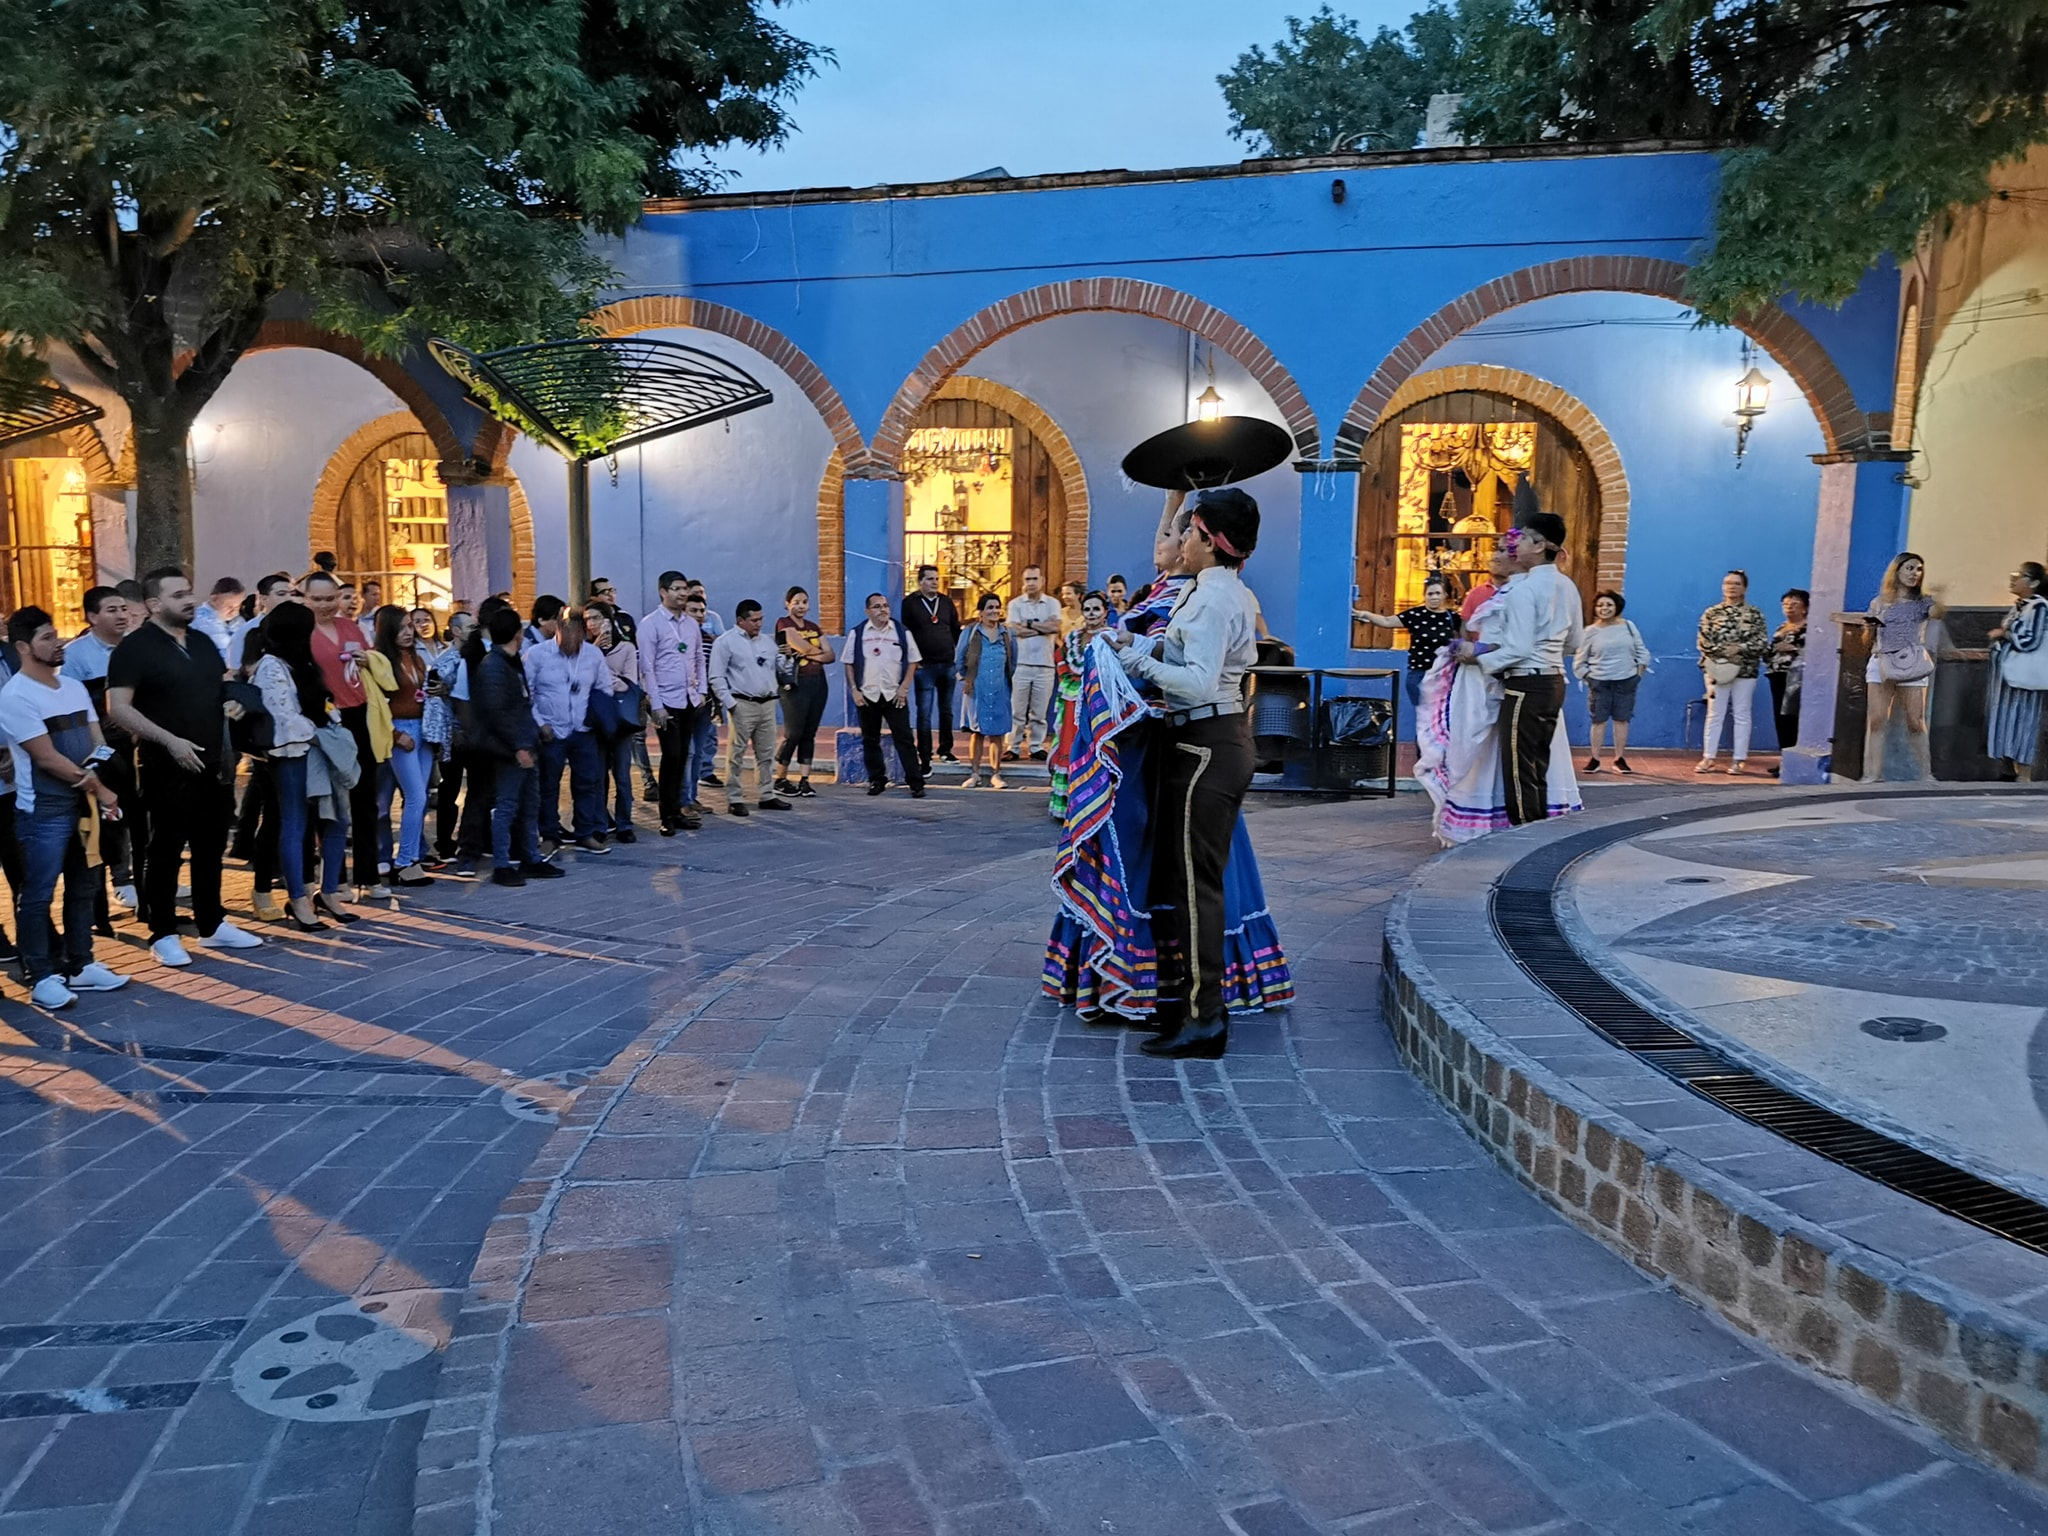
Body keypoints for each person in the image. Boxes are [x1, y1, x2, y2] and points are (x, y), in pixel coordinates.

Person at [1101, 488, 1265, 1059]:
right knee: (1183, 882)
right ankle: (1189, 1010)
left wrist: (1134, 659)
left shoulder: (1216, 599)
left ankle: (1204, 1020)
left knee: (1197, 886)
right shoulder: (1210, 592)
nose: (1183, 541)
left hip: (1207, 743)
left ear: (1209, 541)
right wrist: (1135, 641)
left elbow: (1197, 681)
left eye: (1190, 532)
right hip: (1200, 742)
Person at [105, 567, 264, 965]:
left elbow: (221, 683)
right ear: (155, 604)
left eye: (190, 593)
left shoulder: (202, 642)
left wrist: (236, 700)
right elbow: (117, 708)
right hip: (165, 763)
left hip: (213, 760)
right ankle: (162, 932)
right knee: (165, 848)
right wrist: (168, 740)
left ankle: (212, 924)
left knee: (211, 845)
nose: (189, 600)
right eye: (179, 595)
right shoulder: (135, 648)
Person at [0, 608, 130, 1007]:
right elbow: (46, 758)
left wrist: (98, 782)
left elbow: (95, 741)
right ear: (22, 647)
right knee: (38, 892)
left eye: (57, 635)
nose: (58, 643)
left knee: (84, 884)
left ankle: (81, 963)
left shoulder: (71, 686)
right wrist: (101, 789)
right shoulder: (15, 695)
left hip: (83, 803)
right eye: (46, 638)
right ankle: (41, 975)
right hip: (44, 809)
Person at [1416, 548, 1582, 843]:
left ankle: (1524, 835)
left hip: (1512, 681)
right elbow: (1565, 642)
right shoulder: (1546, 587)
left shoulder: (1523, 592)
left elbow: (1518, 645)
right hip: (1522, 679)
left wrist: (1478, 654)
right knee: (1519, 760)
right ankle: (1519, 830)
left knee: (1519, 763)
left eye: (1506, 549)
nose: (1496, 555)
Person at [254, 599, 354, 929]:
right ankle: (298, 898)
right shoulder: (271, 666)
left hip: (316, 750)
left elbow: (324, 703)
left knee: (336, 818)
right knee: (295, 823)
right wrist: (320, 733)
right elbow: (282, 718)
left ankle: (328, 892)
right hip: (291, 754)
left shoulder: (302, 663)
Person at [301, 571, 387, 893]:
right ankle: (333, 879)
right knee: (330, 803)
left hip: (359, 713)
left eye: (329, 599)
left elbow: (372, 662)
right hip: (324, 719)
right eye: (317, 599)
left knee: (365, 797)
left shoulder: (351, 627)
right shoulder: (301, 632)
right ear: (306, 599)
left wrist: (368, 659)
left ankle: (368, 876)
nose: (324, 605)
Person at [472, 607, 562, 886]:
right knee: (507, 806)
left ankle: (530, 858)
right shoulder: (494, 666)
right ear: (517, 634)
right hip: (510, 749)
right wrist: (518, 747)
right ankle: (502, 864)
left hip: (527, 743)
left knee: (530, 804)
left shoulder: (511, 662)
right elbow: (498, 714)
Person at [62, 586, 138, 911]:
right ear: (92, 616)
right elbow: (74, 709)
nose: (121, 615)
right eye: (112, 610)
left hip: (142, 743)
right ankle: (119, 881)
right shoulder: (76, 656)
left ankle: (146, 875)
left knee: (143, 815)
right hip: (105, 747)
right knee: (111, 817)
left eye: (123, 608)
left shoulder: (139, 647)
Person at [527, 605, 609, 854]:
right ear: (558, 629)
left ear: (583, 632)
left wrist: (595, 719)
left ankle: (585, 832)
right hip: (551, 731)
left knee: (587, 782)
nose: (571, 642)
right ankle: (550, 834)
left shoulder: (593, 655)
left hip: (583, 730)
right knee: (549, 784)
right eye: (566, 634)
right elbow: (527, 693)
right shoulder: (537, 654)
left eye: (577, 635)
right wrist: (541, 723)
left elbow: (604, 688)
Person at [1860, 552, 1940, 783]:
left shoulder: (1924, 602)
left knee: (1916, 720)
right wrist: (1870, 627)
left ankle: (1926, 773)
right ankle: (1872, 773)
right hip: (1882, 661)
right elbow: (1869, 638)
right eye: (1910, 568)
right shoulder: (1879, 602)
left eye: (1919, 569)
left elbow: (1937, 613)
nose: (1915, 573)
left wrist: (1942, 597)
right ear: (1897, 571)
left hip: (1912, 662)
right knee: (1876, 719)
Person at [371, 606, 434, 885]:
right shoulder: (380, 660)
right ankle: (405, 861)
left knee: (417, 799)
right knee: (417, 797)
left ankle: (411, 859)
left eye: (410, 626)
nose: (408, 632)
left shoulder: (416, 657)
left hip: (424, 729)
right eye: (402, 628)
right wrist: (396, 735)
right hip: (400, 730)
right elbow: (375, 706)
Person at [709, 600, 790, 815]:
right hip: (742, 702)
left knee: (766, 752)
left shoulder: (768, 642)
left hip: (768, 702)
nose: (759, 624)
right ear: (740, 620)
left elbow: (779, 670)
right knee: (736, 753)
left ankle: (767, 793)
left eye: (761, 619)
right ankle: (734, 797)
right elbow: (716, 676)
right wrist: (731, 704)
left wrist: (787, 657)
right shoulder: (726, 642)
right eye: (754, 620)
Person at [640, 570, 706, 835]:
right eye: (676, 589)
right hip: (665, 701)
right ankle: (666, 815)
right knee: (672, 756)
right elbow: (647, 667)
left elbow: (699, 657)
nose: (682, 593)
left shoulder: (690, 624)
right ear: (663, 591)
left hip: (689, 699)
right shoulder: (650, 624)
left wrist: (701, 690)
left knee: (683, 757)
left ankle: (678, 809)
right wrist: (656, 705)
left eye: (684, 589)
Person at [843, 593, 925, 799]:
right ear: (868, 611)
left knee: (904, 738)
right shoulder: (858, 633)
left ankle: (915, 782)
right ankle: (877, 780)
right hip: (868, 694)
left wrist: (904, 688)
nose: (883, 610)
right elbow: (849, 663)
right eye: (877, 606)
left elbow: (914, 661)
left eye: (886, 606)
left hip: (894, 694)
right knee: (870, 739)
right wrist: (854, 689)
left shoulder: (900, 632)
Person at [1695, 569, 1771, 775]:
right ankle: (1708, 757)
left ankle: (1739, 759)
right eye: (1728, 583)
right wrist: (1724, 654)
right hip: (1717, 669)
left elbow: (1762, 642)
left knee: (1742, 713)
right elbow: (1703, 641)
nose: (1732, 587)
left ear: (1744, 587)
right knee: (1715, 713)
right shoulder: (1712, 613)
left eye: (1736, 583)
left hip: (1745, 671)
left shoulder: (1754, 614)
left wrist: (1740, 649)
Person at [1354, 575, 1463, 715]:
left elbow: (1465, 638)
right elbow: (1387, 621)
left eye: (1438, 593)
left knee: (1442, 716)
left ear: (1445, 595)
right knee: (1425, 715)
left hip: (1444, 676)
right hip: (1419, 674)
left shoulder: (1452, 617)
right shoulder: (1416, 615)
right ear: (1424, 595)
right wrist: (1366, 614)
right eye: (1430, 593)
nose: (1434, 597)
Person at [1048, 590, 1112, 819]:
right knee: (1069, 746)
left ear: (1105, 612)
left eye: (1096, 609)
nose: (1092, 613)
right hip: (1071, 702)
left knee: (1091, 748)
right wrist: (1070, 684)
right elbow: (1060, 658)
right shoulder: (1073, 637)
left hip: (1098, 705)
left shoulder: (1111, 637)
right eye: (1087, 609)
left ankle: (1091, 803)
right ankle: (1066, 806)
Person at [1574, 590, 1652, 774]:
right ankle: (1595, 758)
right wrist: (1588, 678)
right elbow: (1580, 660)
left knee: (1622, 720)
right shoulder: (1590, 632)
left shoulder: (1629, 627)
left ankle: (1619, 758)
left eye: (1608, 605)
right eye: (1600, 605)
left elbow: (1642, 652)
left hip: (1626, 682)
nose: (1604, 609)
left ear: (1617, 606)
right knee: (1598, 721)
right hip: (1600, 683)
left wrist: (1638, 675)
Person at [1987, 561, 2048, 782]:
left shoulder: (2038, 606)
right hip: (2009, 677)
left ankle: (2024, 775)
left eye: (2019, 575)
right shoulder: (2020, 605)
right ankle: (2008, 769)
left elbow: (2030, 640)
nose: (2014, 578)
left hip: (2025, 678)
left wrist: (2004, 634)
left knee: (2023, 723)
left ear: (2033, 582)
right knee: (2007, 721)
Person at [586, 603, 642, 840]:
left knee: (622, 774)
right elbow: (583, 681)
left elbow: (629, 684)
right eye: (587, 619)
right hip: (596, 718)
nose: (592, 623)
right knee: (598, 774)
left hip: (621, 718)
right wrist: (595, 653)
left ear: (608, 619)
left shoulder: (627, 648)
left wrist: (601, 674)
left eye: (597, 617)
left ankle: (624, 824)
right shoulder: (585, 649)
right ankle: (600, 824)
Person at [903, 563, 962, 774]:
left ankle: (946, 750)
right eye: (930, 579)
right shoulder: (910, 603)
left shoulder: (945, 602)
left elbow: (956, 629)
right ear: (920, 582)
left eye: (937, 578)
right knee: (924, 714)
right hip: (923, 667)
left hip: (947, 664)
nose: (935, 582)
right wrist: (913, 660)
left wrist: (958, 656)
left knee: (946, 711)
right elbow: (906, 633)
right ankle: (925, 757)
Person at [773, 586, 832, 797]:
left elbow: (830, 655)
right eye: (796, 602)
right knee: (794, 733)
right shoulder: (784, 624)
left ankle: (805, 780)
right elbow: (804, 647)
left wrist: (808, 652)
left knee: (810, 732)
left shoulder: (814, 626)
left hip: (818, 683)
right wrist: (813, 652)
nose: (801, 606)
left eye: (804, 602)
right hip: (795, 684)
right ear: (787, 604)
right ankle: (780, 778)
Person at [955, 594, 1016, 789]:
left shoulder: (1006, 634)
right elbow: (959, 658)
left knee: (997, 733)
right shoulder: (971, 632)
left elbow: (1012, 662)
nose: (995, 611)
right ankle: (975, 774)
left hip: (1000, 689)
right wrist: (968, 679)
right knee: (977, 732)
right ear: (980, 612)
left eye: (997, 607)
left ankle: (996, 774)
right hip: (976, 689)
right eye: (990, 607)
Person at [1006, 566, 1062, 759]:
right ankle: (1012, 747)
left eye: (1034, 579)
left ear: (1042, 580)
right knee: (1017, 710)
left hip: (1045, 665)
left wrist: (1028, 624)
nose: (1030, 583)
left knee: (1039, 712)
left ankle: (1036, 746)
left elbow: (1055, 627)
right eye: (1027, 579)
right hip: (1020, 664)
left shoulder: (1052, 603)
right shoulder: (1015, 604)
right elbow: (1015, 631)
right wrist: (1041, 627)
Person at [681, 593, 719, 816]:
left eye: (702, 611)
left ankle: (692, 797)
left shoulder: (708, 640)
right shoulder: (677, 639)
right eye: (693, 610)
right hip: (683, 703)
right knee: (687, 752)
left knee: (698, 753)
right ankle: (682, 799)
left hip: (704, 704)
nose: (698, 615)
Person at [1766, 588, 1810, 773]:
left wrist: (1792, 648)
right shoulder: (1780, 628)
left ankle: (1796, 760)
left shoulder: (1809, 629)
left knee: (1793, 718)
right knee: (1780, 719)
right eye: (1785, 604)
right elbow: (1768, 652)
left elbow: (1812, 653)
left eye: (1794, 604)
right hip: (1776, 676)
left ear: (1805, 608)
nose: (1789, 608)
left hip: (1796, 678)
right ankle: (1784, 758)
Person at [192, 577, 244, 655]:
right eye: (229, 606)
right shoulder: (197, 621)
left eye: (238, 607)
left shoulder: (239, 621)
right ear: (214, 599)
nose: (234, 611)